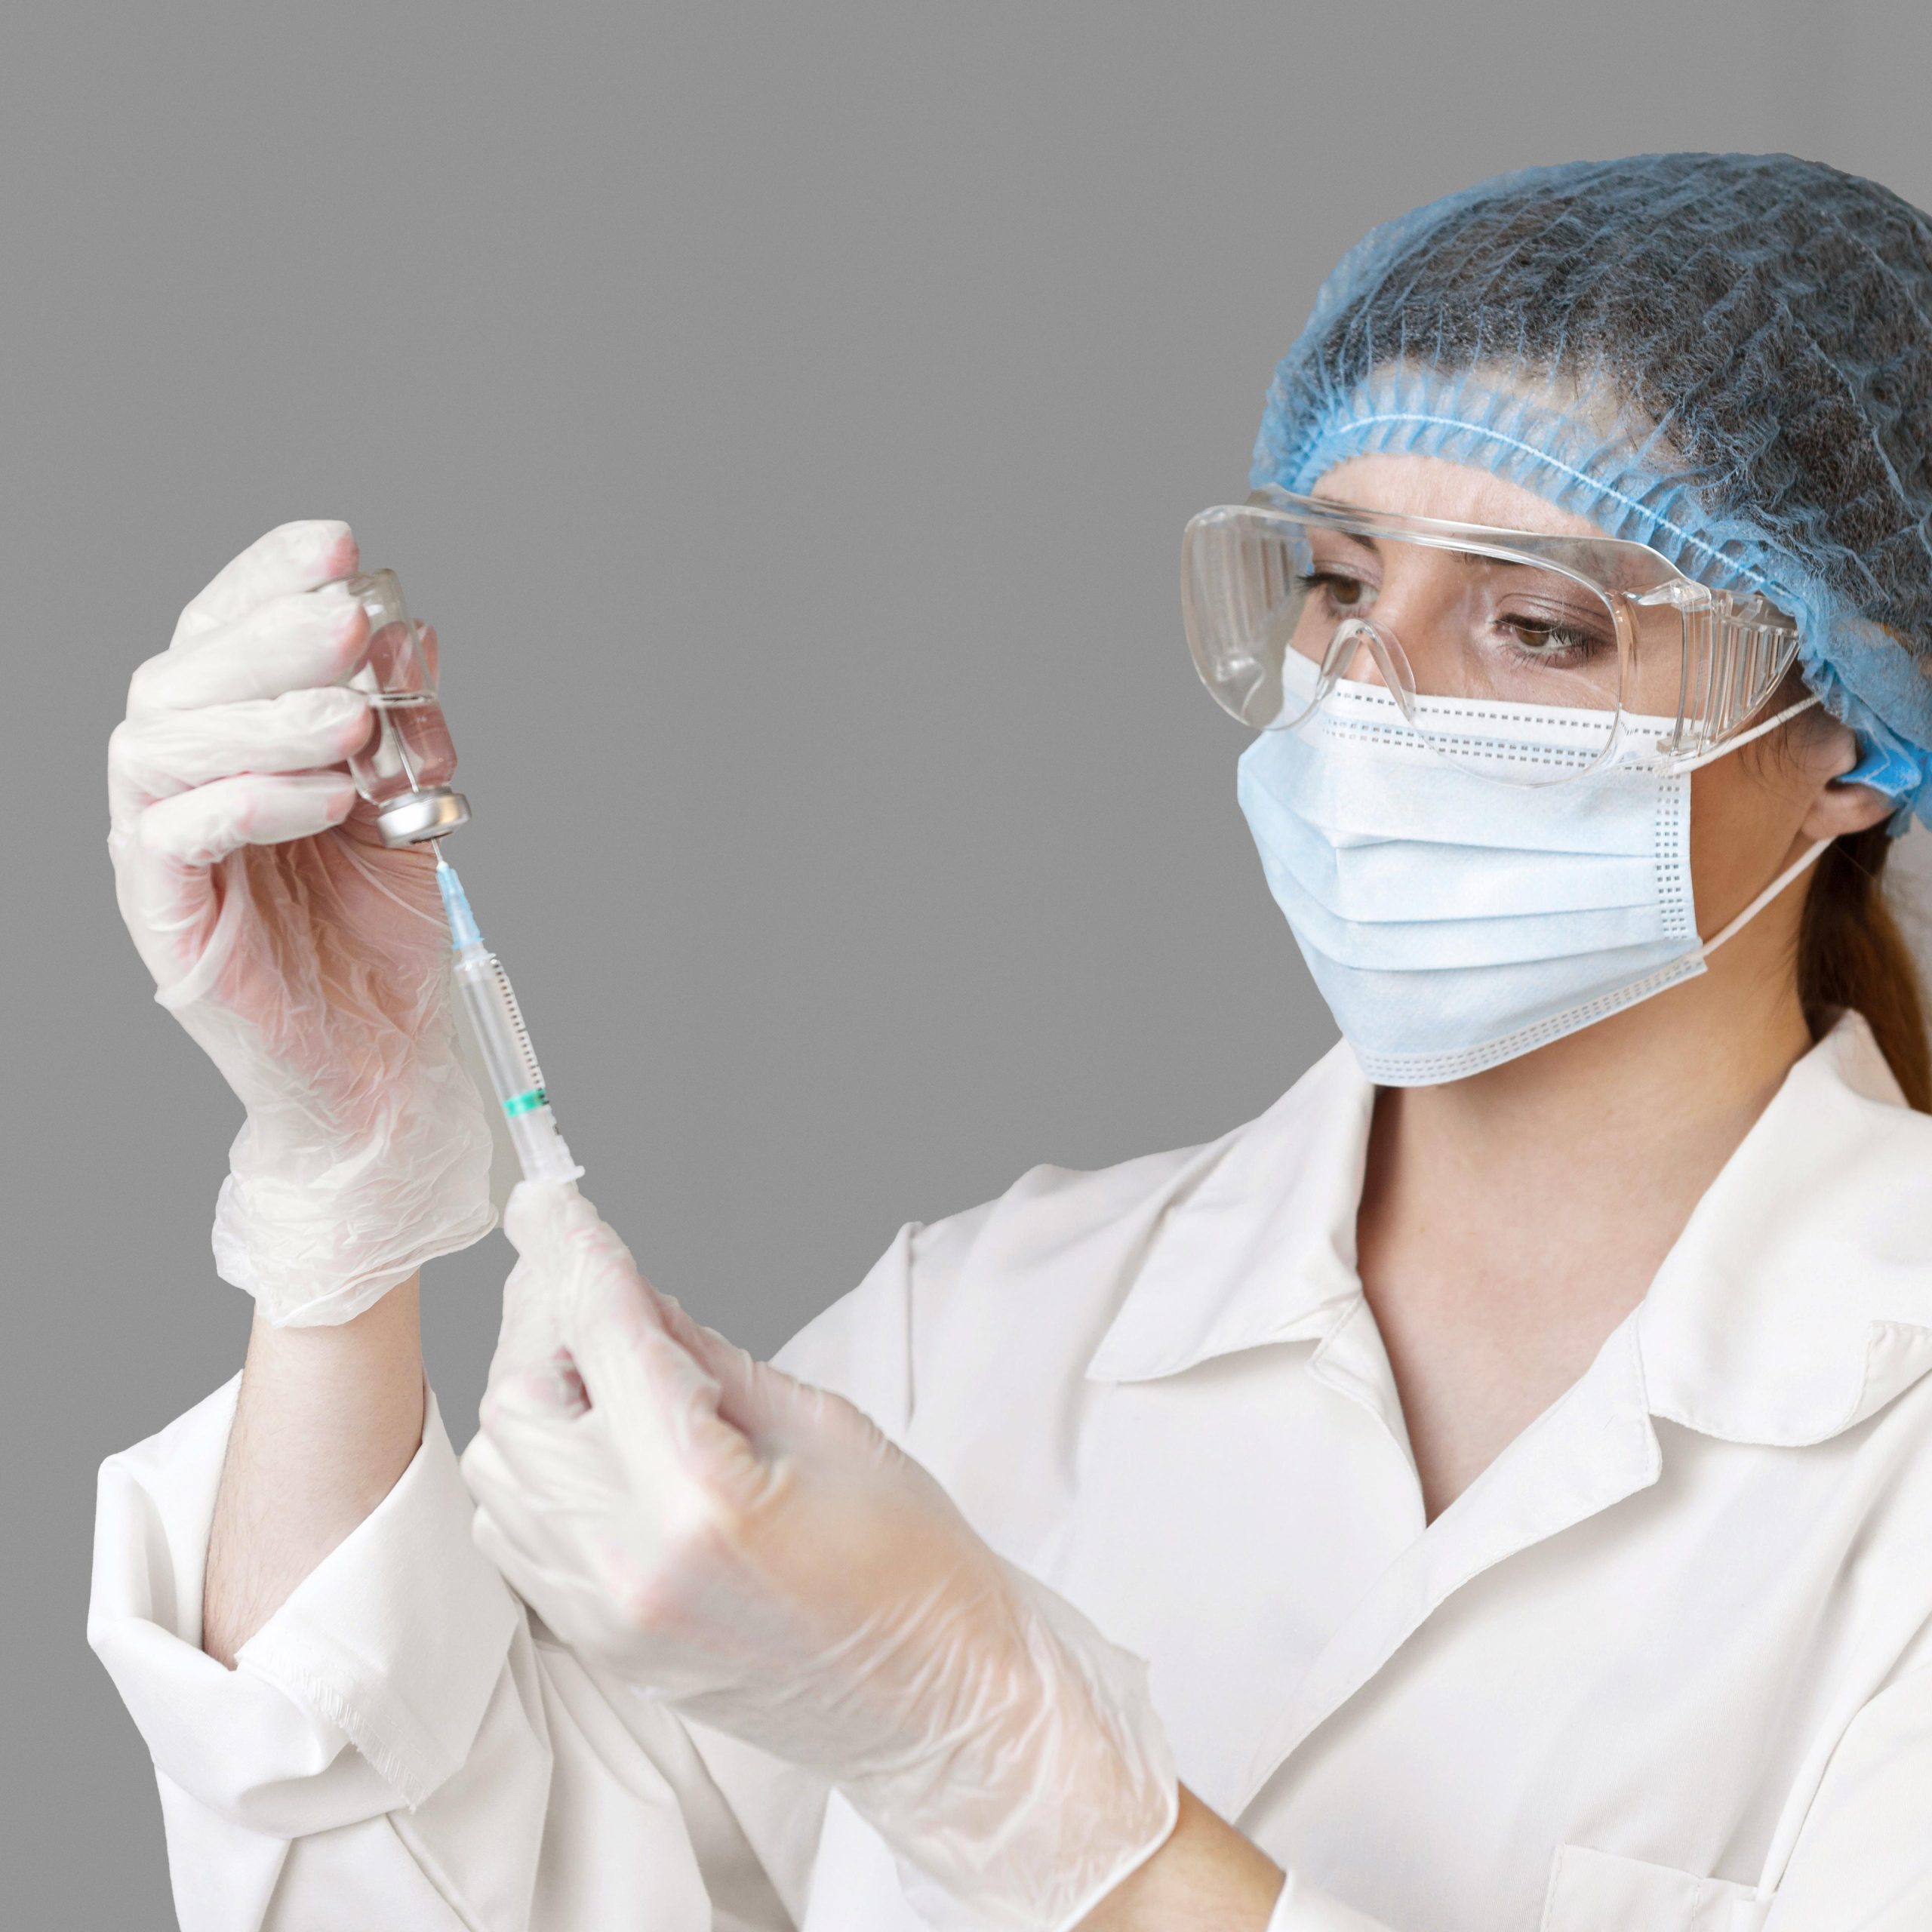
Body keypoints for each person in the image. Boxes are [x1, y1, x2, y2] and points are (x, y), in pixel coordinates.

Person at [90, 152, 1932, 1930]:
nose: (1368, 695)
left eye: (1538, 624)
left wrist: (1030, 1785)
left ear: (1848, 733)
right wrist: (344, 1191)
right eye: (1338, 584)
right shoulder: (986, 1330)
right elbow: (415, 1891)